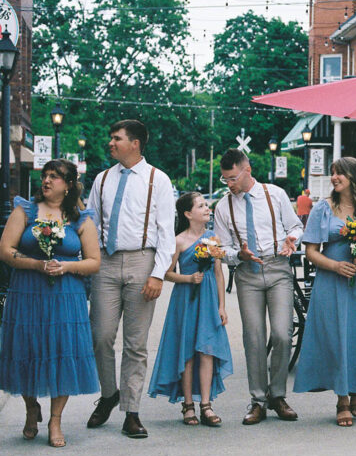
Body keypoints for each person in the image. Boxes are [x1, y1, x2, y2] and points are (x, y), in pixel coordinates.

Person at [0, 160, 101, 448]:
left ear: (68, 185)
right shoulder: (25, 210)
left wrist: (67, 267)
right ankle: (32, 408)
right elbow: (6, 250)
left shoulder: (80, 218)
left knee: (62, 351)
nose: (46, 180)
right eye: (44, 175)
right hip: (28, 291)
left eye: (54, 177)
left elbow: (94, 261)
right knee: (26, 348)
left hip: (66, 295)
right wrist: (36, 264)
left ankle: (55, 420)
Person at [86, 120, 176, 439]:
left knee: (135, 344)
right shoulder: (102, 179)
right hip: (106, 264)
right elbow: (91, 223)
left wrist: (157, 274)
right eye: (111, 138)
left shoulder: (158, 180)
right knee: (100, 336)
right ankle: (110, 393)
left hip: (142, 260)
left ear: (135, 143)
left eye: (116, 139)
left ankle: (131, 411)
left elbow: (167, 232)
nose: (110, 143)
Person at [294, 158, 356, 426]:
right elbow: (311, 252)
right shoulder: (322, 209)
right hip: (332, 281)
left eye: (339, 173)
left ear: (355, 176)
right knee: (337, 336)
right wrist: (335, 265)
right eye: (332, 173)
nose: (334, 177)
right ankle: (342, 398)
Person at [213, 148, 304, 425]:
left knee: (282, 334)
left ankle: (278, 395)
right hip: (247, 274)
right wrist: (236, 255)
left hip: (277, 267)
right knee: (253, 336)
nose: (229, 184)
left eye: (232, 178)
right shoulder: (223, 206)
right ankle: (258, 400)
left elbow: (297, 226)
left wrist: (292, 238)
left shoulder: (274, 194)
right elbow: (221, 248)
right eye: (224, 179)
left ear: (247, 169)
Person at [148, 193, 232, 426]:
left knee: (207, 350)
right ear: (187, 214)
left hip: (207, 299)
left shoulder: (212, 238)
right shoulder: (179, 240)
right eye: (201, 206)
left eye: (206, 205)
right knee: (187, 352)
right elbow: (166, 272)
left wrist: (222, 306)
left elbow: (217, 273)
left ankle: (206, 404)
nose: (207, 208)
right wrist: (187, 278)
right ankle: (188, 404)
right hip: (186, 298)